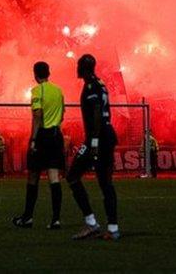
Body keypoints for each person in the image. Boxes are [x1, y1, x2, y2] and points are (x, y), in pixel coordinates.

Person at [66, 54, 120, 241]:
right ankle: (112, 229)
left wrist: (94, 142)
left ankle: (92, 224)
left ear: (83, 67)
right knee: (105, 183)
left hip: (98, 138)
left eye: (78, 65)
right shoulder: (100, 83)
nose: (77, 68)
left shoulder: (91, 86)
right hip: (106, 136)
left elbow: (97, 113)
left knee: (72, 176)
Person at [12, 61, 66, 229]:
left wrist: (33, 139)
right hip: (56, 134)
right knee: (54, 177)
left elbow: (37, 115)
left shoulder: (37, 90)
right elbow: (62, 114)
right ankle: (56, 219)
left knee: (33, 175)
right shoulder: (58, 90)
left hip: (42, 135)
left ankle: (28, 217)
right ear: (49, 73)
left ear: (35, 74)